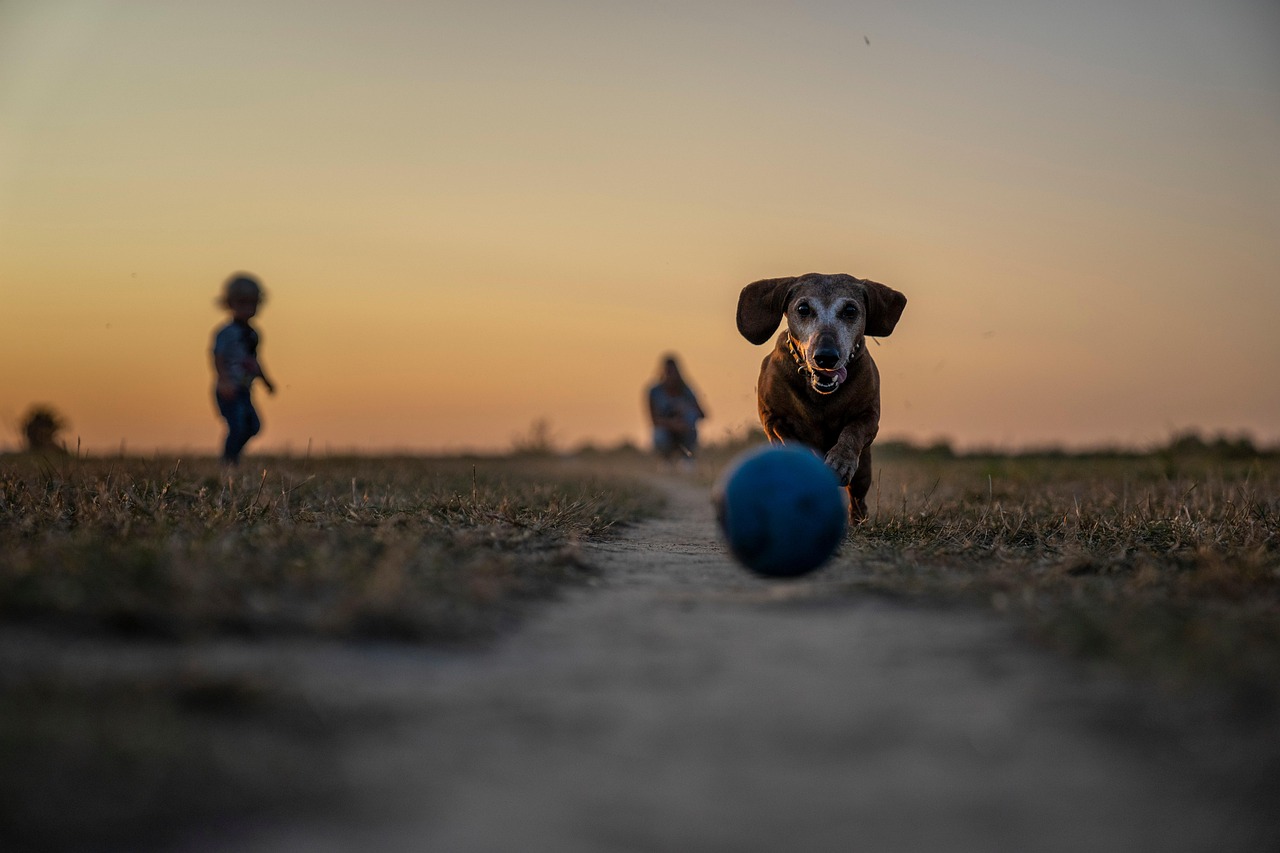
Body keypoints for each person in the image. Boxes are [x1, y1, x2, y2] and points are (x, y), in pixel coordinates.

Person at [211, 273, 275, 464]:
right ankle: (228, 461)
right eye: (242, 303)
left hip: (245, 390)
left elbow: (255, 361)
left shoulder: (253, 334)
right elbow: (218, 357)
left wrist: (266, 381)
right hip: (229, 390)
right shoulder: (225, 333)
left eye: (252, 304)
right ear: (230, 304)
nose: (247, 309)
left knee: (253, 426)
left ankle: (233, 456)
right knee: (237, 425)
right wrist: (224, 380)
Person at [647, 354, 706, 466]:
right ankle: (665, 460)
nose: (671, 376)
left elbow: (703, 414)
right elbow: (653, 420)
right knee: (659, 435)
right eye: (668, 372)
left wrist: (685, 409)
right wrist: (672, 424)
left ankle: (688, 458)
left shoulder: (686, 391)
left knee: (691, 415)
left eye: (673, 372)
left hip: (685, 432)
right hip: (666, 433)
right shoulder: (655, 392)